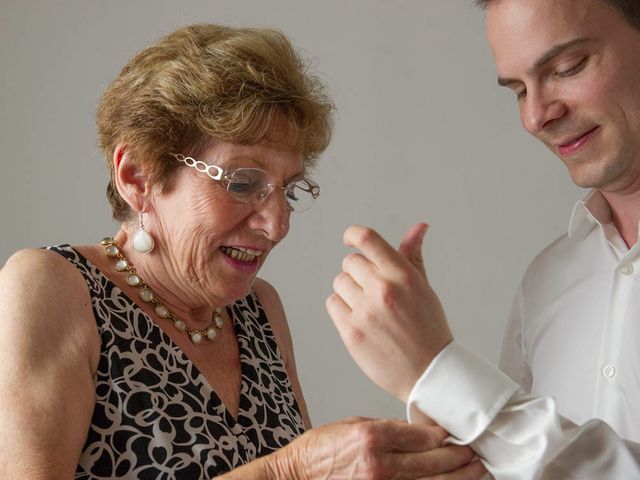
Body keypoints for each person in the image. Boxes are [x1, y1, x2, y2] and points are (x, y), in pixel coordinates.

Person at [0, 24, 485, 479]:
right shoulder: (53, 286)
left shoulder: (258, 310)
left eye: (288, 190)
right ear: (138, 176)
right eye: (243, 182)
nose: (278, 224)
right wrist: (287, 471)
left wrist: (426, 378)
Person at [328, 0, 640, 478]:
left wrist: (437, 369)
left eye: (567, 67)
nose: (536, 116)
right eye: (518, 90)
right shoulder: (547, 280)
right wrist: (439, 425)